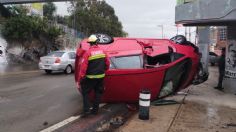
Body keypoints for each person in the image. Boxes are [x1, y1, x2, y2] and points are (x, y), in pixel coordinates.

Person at [78, 34, 110, 117]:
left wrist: (81, 78)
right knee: (98, 93)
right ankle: (95, 111)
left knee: (85, 92)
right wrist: (104, 70)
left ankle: (86, 111)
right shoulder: (103, 52)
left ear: (90, 43)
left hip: (90, 78)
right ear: (96, 43)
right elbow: (107, 63)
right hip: (101, 77)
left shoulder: (88, 53)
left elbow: (83, 67)